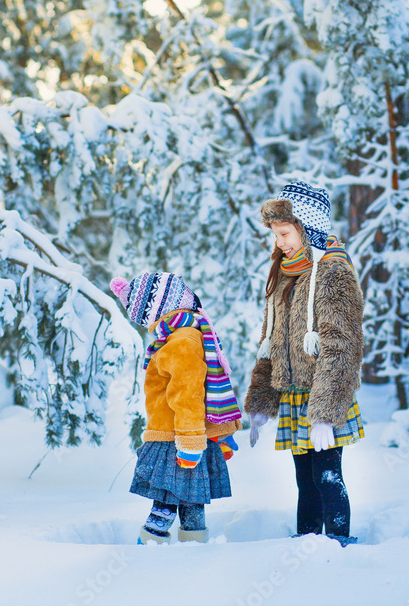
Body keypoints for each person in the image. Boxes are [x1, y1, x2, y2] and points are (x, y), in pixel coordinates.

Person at [244, 181, 365, 546]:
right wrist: (262, 402)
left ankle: (341, 546)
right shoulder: (284, 273)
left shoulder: (331, 272)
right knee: (304, 480)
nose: (279, 242)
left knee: (326, 475)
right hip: (295, 397)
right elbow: (270, 343)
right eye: (275, 235)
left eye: (284, 233)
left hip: (325, 394)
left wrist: (326, 412)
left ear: (307, 228)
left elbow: (342, 346)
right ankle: (307, 543)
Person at [110, 271, 243, 544]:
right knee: (186, 501)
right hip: (182, 437)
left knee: (169, 501)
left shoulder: (181, 339)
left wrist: (191, 442)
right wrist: (193, 440)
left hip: (178, 437)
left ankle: (156, 551)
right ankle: (188, 550)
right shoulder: (182, 337)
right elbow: (190, 392)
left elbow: (189, 394)